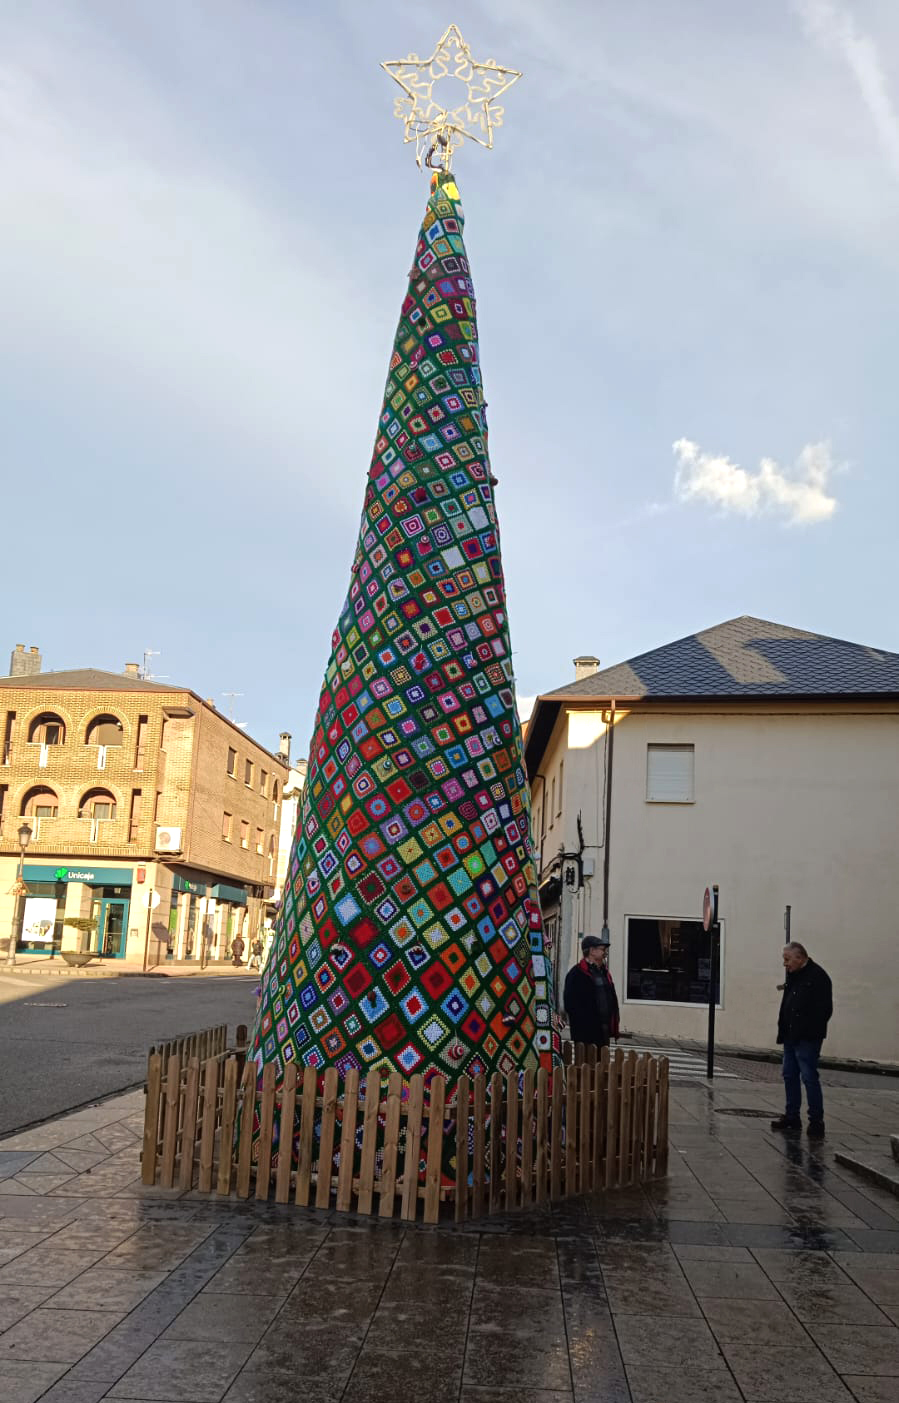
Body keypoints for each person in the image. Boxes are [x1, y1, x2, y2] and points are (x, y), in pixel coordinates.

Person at [771, 941, 833, 1139]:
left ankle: (816, 1121)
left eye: (787, 959)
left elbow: (824, 1010)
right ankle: (792, 1117)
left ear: (800, 958)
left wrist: (807, 1030)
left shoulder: (818, 977)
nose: (785, 964)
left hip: (807, 1037)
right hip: (790, 1035)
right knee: (789, 1075)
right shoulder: (794, 975)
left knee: (808, 1077)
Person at [563, 934, 620, 1050]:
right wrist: (583, 1023)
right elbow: (570, 1003)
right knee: (586, 1064)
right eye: (602, 949)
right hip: (586, 1032)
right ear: (592, 951)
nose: (605, 952)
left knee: (602, 1063)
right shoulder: (576, 974)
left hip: (603, 1029)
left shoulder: (604, 972)